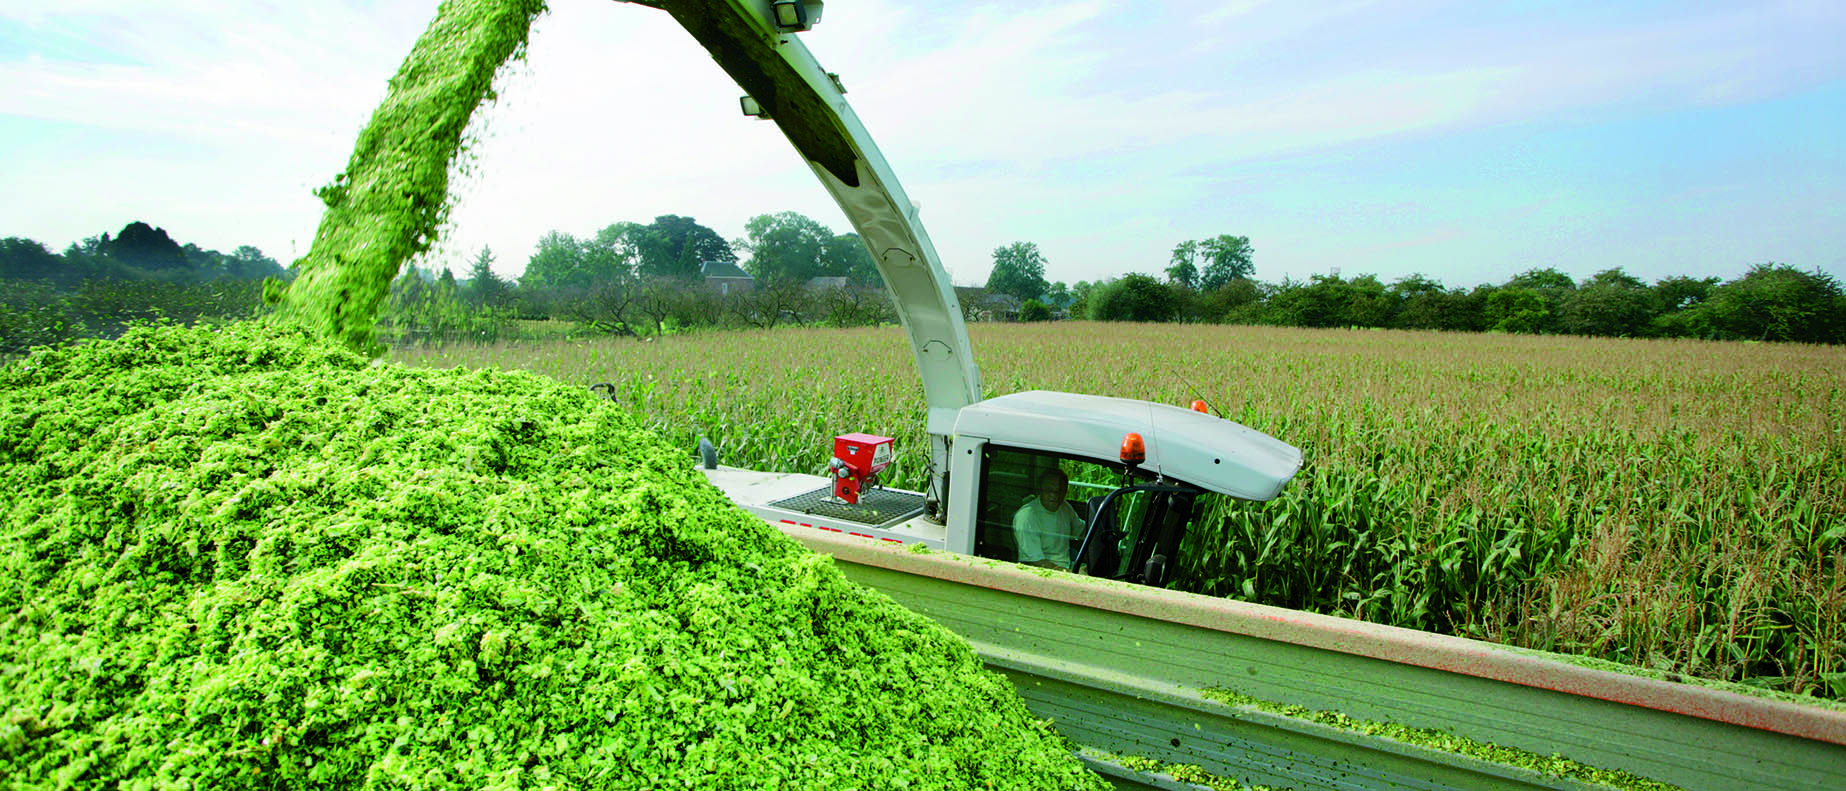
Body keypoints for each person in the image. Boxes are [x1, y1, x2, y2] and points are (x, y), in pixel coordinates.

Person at [1012, 468, 1085, 570]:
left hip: (1067, 564)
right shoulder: (1027, 516)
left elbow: (1081, 531)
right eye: (1049, 490)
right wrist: (1069, 573)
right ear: (1040, 490)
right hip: (1043, 572)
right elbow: (1034, 561)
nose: (1054, 496)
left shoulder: (1064, 507)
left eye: (1059, 491)